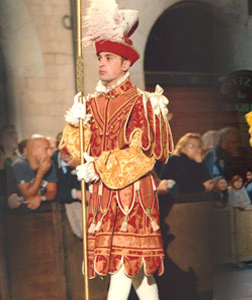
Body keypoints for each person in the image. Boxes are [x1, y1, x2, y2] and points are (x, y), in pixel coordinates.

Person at [58, 2, 173, 299]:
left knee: (124, 269)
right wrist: (75, 125)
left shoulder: (142, 103)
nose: (101, 63)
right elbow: (77, 150)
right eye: (99, 57)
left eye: (109, 57)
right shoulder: (92, 104)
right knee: (140, 277)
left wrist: (98, 167)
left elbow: (142, 156)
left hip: (132, 196)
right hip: (103, 198)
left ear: (125, 63)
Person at [11, 135, 57, 210]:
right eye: (46, 149)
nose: (50, 154)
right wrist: (41, 173)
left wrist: (41, 197)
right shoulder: (19, 165)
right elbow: (28, 195)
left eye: (50, 149)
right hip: (20, 214)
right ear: (33, 151)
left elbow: (52, 192)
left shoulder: (49, 163)